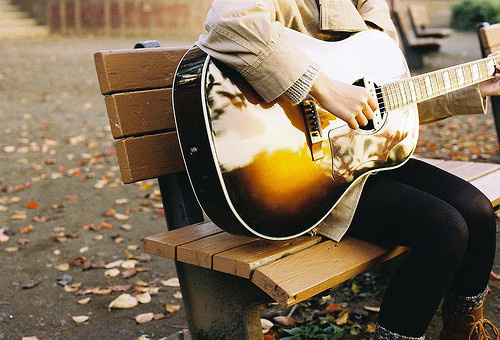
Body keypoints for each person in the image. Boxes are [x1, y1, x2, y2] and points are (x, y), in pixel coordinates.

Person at [195, 1, 500, 339]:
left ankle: (464, 330)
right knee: (445, 228)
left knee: (478, 211)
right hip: (306, 177)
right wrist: (325, 89)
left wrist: (472, 89)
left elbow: (383, 101)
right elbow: (227, 20)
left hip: (365, 156)